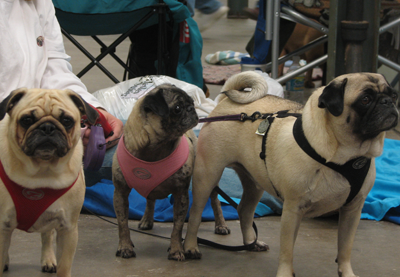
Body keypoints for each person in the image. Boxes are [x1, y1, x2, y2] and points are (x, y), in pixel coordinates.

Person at [0, 0, 123, 151]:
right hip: (13, 136)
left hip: (37, 130)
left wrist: (93, 111)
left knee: (131, 140)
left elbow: (54, 67)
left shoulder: (41, 3)